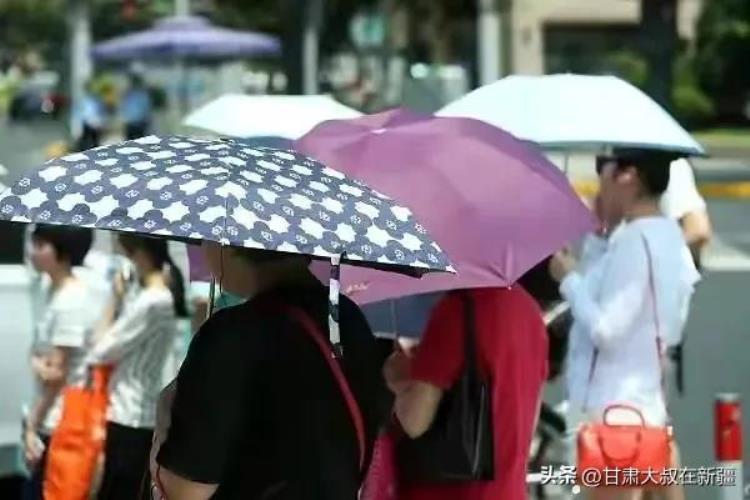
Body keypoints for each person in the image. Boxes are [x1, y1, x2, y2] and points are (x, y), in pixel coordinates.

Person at [152, 243, 389, 499]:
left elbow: (187, 489)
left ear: (230, 244)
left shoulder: (233, 335)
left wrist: (164, 424)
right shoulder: (350, 320)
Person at [550, 150, 700, 500]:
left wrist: (568, 279)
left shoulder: (637, 241)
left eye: (604, 166)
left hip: (615, 409)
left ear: (627, 176)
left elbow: (607, 329)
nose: (599, 178)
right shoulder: (662, 235)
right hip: (643, 402)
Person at [383, 286, 549, 500]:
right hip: (510, 491)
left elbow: (414, 422)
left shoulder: (456, 310)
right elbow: (530, 418)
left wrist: (399, 382)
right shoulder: (531, 311)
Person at [86, 234, 187, 500]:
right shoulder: (149, 296)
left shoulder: (153, 301)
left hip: (129, 414)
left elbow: (101, 350)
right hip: (132, 412)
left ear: (138, 252)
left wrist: (113, 300)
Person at [23, 225, 96, 500]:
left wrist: (31, 426)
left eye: (41, 245)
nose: (33, 252)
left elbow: (55, 374)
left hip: (58, 424)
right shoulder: (55, 292)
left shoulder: (70, 300)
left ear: (63, 253)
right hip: (50, 419)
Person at [120, 73, 153, 140]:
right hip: (136, 122)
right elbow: (146, 108)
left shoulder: (129, 94)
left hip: (135, 122)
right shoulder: (141, 94)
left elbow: (124, 108)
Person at [75, 81, 106, 151]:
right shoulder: (84, 100)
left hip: (95, 125)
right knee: (85, 144)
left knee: (95, 144)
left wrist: (101, 123)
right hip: (87, 124)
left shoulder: (96, 100)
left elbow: (101, 112)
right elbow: (79, 115)